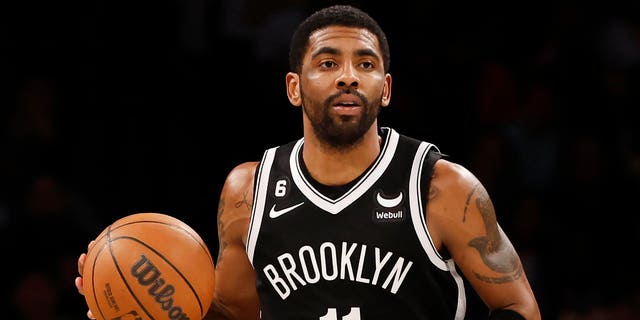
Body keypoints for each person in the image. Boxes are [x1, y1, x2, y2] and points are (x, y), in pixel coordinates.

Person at [75, 4, 541, 319]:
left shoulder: (441, 187)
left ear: (387, 88)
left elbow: (520, 309)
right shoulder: (247, 191)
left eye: (365, 63)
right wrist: (142, 303)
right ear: (294, 87)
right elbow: (234, 313)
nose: (348, 77)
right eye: (327, 63)